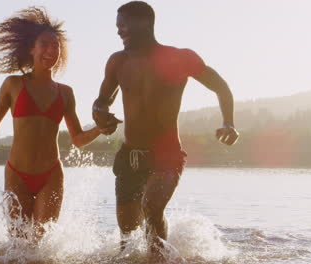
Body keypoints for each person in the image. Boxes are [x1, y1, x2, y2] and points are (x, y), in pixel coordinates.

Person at [0, 7, 117, 241]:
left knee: (40, 244)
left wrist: (100, 129)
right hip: (17, 174)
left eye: (56, 46)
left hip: (51, 175)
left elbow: (78, 139)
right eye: (45, 44)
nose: (51, 51)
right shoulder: (13, 85)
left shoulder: (66, 93)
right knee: (19, 244)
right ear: (32, 48)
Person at [92, 1, 239, 260]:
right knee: (127, 231)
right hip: (129, 156)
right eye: (118, 27)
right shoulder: (118, 62)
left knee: (151, 207)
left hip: (167, 153)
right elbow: (101, 100)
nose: (119, 32)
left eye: (123, 26)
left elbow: (220, 86)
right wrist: (100, 114)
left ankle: (159, 259)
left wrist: (228, 122)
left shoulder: (180, 58)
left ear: (144, 23)